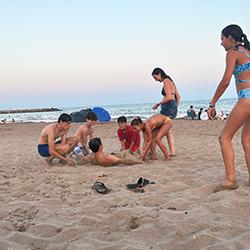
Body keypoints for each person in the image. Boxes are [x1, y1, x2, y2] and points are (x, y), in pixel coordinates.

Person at [207, 24, 250, 192]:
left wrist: (212, 103)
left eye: (222, 39)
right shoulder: (247, 52)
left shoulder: (232, 53)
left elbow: (225, 81)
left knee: (224, 137)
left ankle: (231, 179)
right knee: (247, 140)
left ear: (230, 38)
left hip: (246, 99)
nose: (221, 43)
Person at [151, 67, 180, 156]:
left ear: (159, 74)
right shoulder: (171, 82)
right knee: (168, 130)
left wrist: (158, 104)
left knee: (156, 129)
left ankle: (152, 151)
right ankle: (172, 151)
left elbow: (168, 97)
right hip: (172, 106)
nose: (156, 80)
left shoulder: (166, 81)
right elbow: (178, 96)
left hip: (167, 107)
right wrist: (175, 107)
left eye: (155, 78)